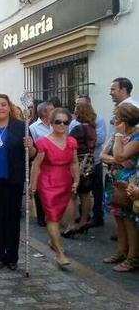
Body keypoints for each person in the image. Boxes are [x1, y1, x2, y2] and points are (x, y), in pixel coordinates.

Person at [0, 94, 36, 270]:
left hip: (13, 180)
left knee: (12, 218)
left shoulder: (21, 127)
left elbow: (32, 155)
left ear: (9, 107)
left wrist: (30, 146)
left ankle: (12, 256)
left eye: (3, 105)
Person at [30, 108, 80, 266]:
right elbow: (36, 166)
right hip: (48, 183)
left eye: (65, 122)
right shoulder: (43, 142)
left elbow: (74, 162)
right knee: (52, 216)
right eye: (58, 122)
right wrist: (33, 186)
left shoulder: (71, 142)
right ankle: (59, 253)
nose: (62, 125)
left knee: (59, 216)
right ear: (51, 123)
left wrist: (76, 180)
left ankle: (53, 241)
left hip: (65, 181)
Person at [101, 103, 139, 272]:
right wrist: (119, 160)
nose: (114, 121)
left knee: (129, 219)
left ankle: (133, 257)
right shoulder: (120, 136)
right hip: (114, 180)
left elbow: (119, 154)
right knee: (118, 218)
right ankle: (121, 251)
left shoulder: (136, 137)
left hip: (128, 184)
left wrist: (117, 136)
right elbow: (103, 155)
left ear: (125, 120)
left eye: (117, 118)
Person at [69, 95, 107, 227]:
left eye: (80, 105)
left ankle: (97, 216)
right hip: (86, 161)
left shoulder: (99, 120)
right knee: (83, 192)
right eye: (76, 104)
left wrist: (82, 147)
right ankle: (84, 218)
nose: (76, 108)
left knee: (94, 190)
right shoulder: (75, 123)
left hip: (93, 161)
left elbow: (101, 139)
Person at [62, 103, 97, 238]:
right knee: (86, 194)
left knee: (72, 195)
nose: (74, 113)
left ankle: (70, 225)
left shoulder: (77, 128)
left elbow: (68, 145)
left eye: (76, 110)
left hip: (77, 163)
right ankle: (83, 222)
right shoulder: (92, 128)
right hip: (89, 163)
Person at [29, 101, 55, 227]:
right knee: (40, 190)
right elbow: (32, 146)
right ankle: (41, 216)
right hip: (41, 162)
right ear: (44, 112)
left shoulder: (56, 125)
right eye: (52, 109)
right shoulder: (33, 127)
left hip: (55, 162)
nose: (55, 111)